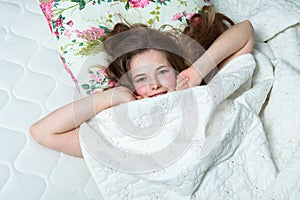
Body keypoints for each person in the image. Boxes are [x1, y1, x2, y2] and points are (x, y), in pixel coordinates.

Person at [30, 5, 254, 157]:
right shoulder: (124, 129)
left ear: (177, 72)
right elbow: (42, 132)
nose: (154, 83)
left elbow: (245, 32)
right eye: (141, 78)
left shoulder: (202, 88)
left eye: (162, 71)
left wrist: (195, 73)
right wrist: (114, 97)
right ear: (132, 87)